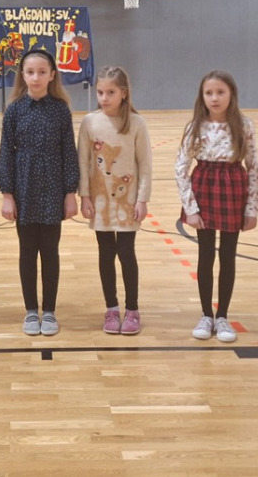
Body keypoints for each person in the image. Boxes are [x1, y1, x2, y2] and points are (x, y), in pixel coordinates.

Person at [0, 48, 79, 337]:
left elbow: (69, 153)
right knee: (27, 251)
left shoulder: (60, 110)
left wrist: (70, 192)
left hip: (53, 187)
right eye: (30, 72)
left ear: (52, 75)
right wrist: (7, 194)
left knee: (50, 251)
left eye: (42, 72)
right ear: (22, 75)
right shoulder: (14, 110)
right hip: (24, 187)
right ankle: (31, 310)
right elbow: (5, 153)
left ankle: (50, 311)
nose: (36, 77)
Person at [175, 71, 258, 343]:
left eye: (220, 92)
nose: (214, 98)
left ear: (231, 94)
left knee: (228, 255)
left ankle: (222, 315)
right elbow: (180, 168)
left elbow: (253, 167)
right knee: (205, 255)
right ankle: (206, 314)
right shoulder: (195, 127)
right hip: (204, 187)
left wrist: (251, 209)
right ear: (202, 96)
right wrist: (190, 208)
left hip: (233, 188)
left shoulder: (244, 125)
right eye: (209, 93)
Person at [77, 66, 152, 335]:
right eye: (100, 92)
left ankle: (132, 309)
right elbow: (83, 162)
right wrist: (85, 196)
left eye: (110, 92)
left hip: (127, 200)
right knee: (106, 252)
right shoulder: (89, 122)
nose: (104, 98)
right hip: (100, 201)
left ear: (124, 93)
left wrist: (142, 199)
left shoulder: (137, 123)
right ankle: (111, 308)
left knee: (126, 252)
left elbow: (145, 164)